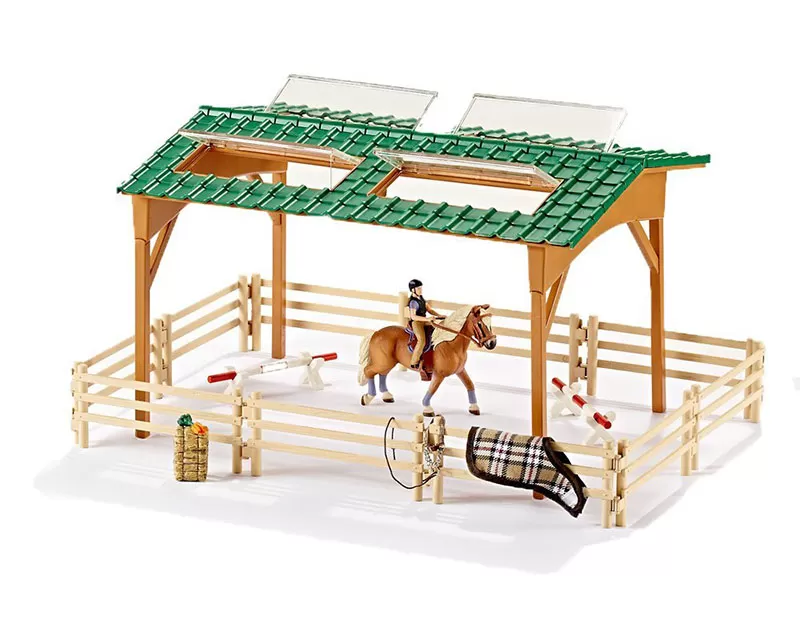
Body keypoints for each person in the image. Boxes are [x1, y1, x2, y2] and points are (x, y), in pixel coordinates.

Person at [406, 279, 446, 370]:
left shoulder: (421, 299)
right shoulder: (413, 302)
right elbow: (413, 316)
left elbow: (430, 310)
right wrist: (427, 319)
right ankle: (414, 362)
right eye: (418, 288)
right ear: (413, 290)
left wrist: (439, 316)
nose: (421, 290)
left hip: (424, 320)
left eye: (421, 288)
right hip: (417, 322)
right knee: (421, 340)